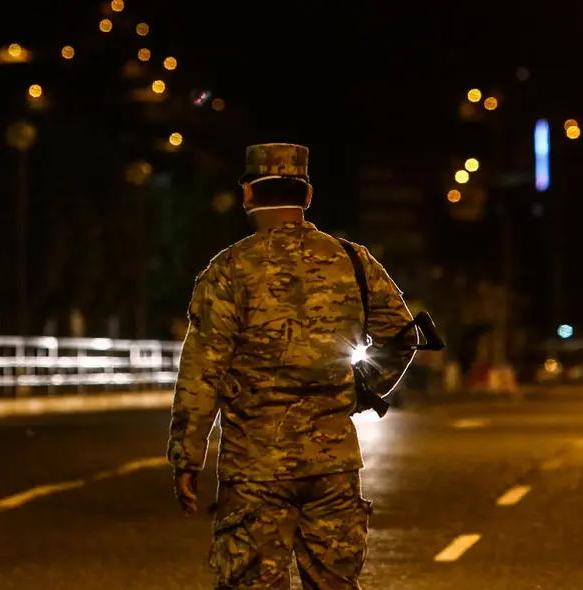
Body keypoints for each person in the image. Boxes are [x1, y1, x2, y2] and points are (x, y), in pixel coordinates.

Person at [167, 143, 417, 589]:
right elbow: (403, 335)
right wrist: (363, 389)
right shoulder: (353, 261)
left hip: (255, 467)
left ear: (247, 195)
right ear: (307, 195)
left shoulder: (229, 270)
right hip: (333, 463)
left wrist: (187, 455)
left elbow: (202, 369)